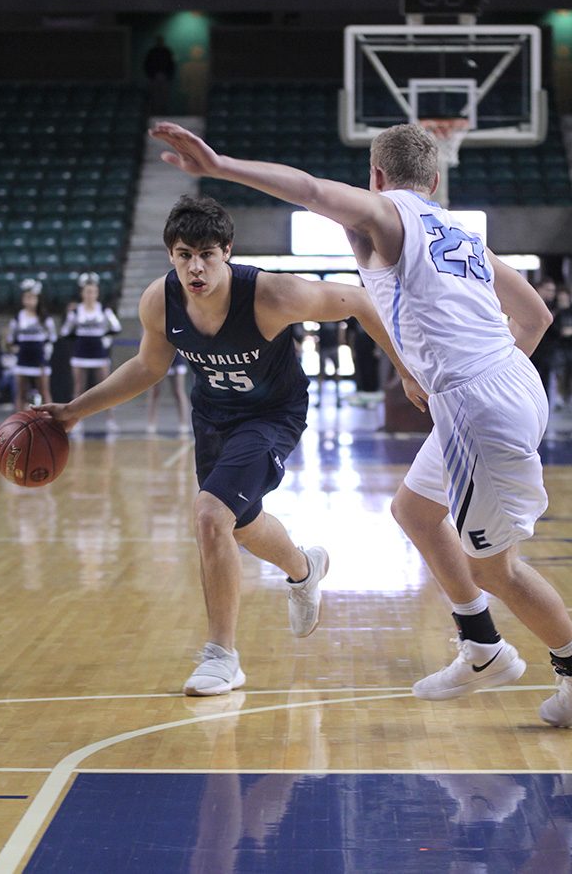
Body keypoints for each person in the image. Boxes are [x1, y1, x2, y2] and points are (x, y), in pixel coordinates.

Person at [149, 120, 572, 726]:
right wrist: (488, 381)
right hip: (503, 383)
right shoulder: (458, 229)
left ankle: (571, 672)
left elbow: (312, 191)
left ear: (375, 177)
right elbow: (532, 316)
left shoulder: (388, 215)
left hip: (478, 402)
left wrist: (220, 167)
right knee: (416, 511)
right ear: (434, 178)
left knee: (492, 566)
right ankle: (481, 644)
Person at [36, 194, 425, 697]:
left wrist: (403, 367)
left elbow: (359, 301)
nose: (195, 267)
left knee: (208, 515)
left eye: (206, 254)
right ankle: (305, 568)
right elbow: (148, 367)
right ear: (171, 256)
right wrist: (72, 412)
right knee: (238, 524)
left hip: (272, 416)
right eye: (183, 255)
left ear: (227, 252)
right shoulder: (161, 300)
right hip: (214, 416)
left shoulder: (272, 295)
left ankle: (222, 657)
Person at [60, 272, 122, 434]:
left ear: (97, 293)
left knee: (106, 387)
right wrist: (69, 316)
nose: (90, 295)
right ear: (82, 293)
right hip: (80, 352)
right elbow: (66, 331)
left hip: (99, 353)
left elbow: (116, 327)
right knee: (79, 387)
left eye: (93, 291)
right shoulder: (76, 311)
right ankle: (76, 419)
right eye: (87, 291)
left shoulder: (103, 310)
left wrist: (105, 336)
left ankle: (111, 419)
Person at [7, 279, 56, 411]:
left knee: (44, 392)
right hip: (23, 358)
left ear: (38, 298)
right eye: (26, 297)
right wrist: (14, 351)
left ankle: (50, 422)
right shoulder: (18, 318)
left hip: (40, 358)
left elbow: (52, 338)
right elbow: (11, 339)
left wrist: (46, 354)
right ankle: (18, 422)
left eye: (32, 297)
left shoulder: (45, 318)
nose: (29, 300)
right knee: (21, 393)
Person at [146, 353, 191, 434]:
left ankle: (183, 423)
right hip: (160, 358)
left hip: (177, 359)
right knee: (155, 392)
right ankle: (151, 423)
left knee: (179, 391)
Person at [529, 278, 558, 405]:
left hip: (548, 350)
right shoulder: (528, 302)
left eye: (553, 291)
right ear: (539, 289)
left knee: (545, 382)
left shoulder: (555, 306)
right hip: (531, 349)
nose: (551, 293)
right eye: (548, 290)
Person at [143, 35, 176, 115]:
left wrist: (167, 76)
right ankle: (154, 112)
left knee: (164, 97)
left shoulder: (167, 51)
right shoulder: (152, 52)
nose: (159, 43)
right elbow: (147, 64)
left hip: (165, 77)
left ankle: (164, 113)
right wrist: (152, 75)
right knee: (154, 96)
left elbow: (171, 65)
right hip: (153, 77)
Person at [553, 286, 572, 411]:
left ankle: (567, 396)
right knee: (560, 372)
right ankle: (560, 396)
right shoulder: (556, 312)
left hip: (570, 346)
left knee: (569, 374)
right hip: (559, 347)